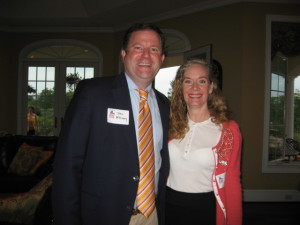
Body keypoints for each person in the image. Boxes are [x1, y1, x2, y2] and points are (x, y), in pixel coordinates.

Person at [52, 23, 170, 225]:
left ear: (161, 58)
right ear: (124, 54)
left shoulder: (164, 105)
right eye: (138, 48)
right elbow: (67, 164)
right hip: (102, 216)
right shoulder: (93, 93)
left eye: (154, 49)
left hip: (152, 216)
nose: (146, 55)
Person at [165, 59, 242, 225]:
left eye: (202, 81)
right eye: (188, 81)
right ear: (180, 87)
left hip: (205, 210)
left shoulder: (228, 131)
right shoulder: (168, 124)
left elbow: (232, 182)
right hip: (167, 207)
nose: (194, 88)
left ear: (211, 86)